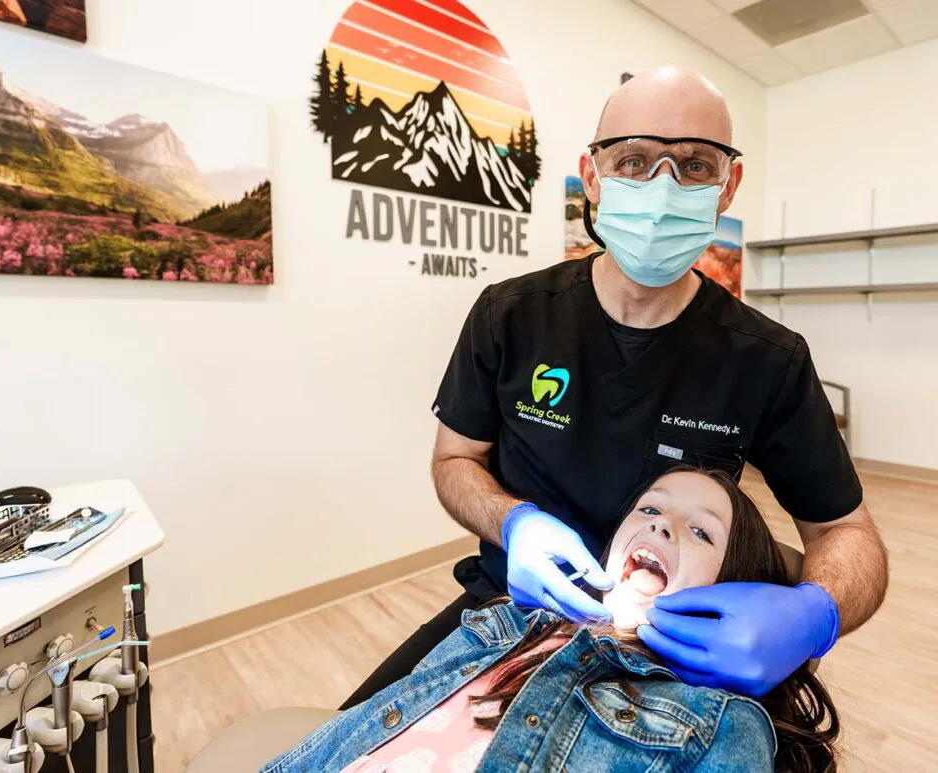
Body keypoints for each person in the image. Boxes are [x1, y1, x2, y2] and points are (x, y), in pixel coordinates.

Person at [340, 65, 887, 711]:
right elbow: (454, 459)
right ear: (592, 176)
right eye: (634, 159)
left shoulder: (766, 359)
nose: (663, 187)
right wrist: (514, 523)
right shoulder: (509, 314)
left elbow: (848, 536)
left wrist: (813, 614)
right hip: (510, 608)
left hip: (666, 641)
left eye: (694, 165)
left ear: (728, 185)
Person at [267, 469, 839, 772]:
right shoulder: (501, 626)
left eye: (701, 530)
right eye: (650, 508)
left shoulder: (719, 725)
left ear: (735, 588)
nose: (661, 526)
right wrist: (512, 521)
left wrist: (816, 612)